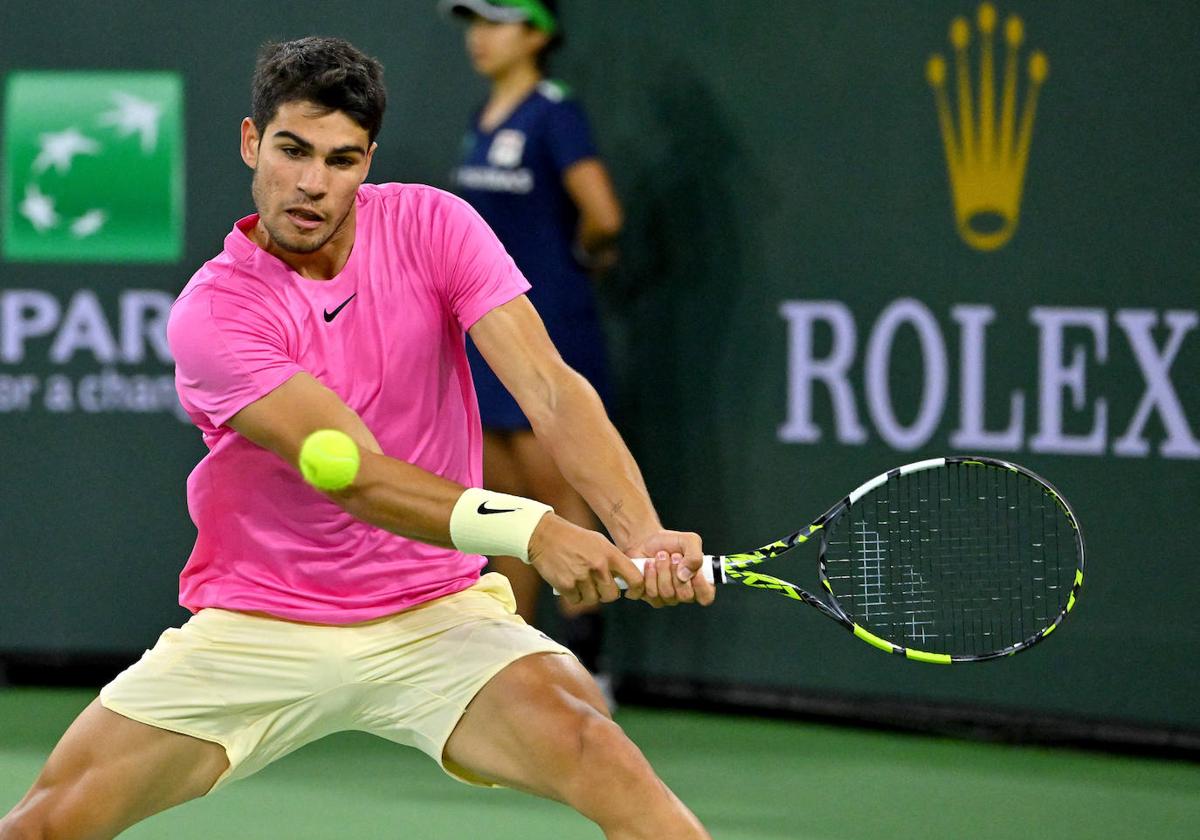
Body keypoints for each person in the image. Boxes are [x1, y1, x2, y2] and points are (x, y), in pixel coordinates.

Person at [0, 37, 713, 840]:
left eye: (341, 160)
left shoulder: (435, 225)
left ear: (368, 160)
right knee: (44, 827)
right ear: (250, 141)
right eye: (292, 150)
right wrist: (533, 528)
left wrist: (641, 531)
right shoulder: (217, 313)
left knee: (603, 755)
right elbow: (354, 476)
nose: (311, 184)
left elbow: (549, 387)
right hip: (262, 621)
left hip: (434, 613)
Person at [440, 0, 624, 679]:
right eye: (474, 24)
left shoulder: (555, 113)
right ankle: (513, 661)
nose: (481, 38)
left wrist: (581, 256)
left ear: (537, 34)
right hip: (487, 336)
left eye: (497, 22)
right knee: (505, 504)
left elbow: (603, 214)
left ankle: (588, 661)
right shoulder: (481, 120)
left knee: (559, 490)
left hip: (551, 331)